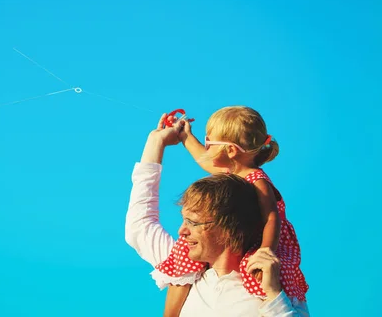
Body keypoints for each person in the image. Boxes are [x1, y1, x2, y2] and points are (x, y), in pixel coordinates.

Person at [125, 114, 310, 316]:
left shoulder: (267, 287)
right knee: (179, 269)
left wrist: (269, 271)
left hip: (261, 251)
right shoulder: (192, 258)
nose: (182, 231)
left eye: (193, 222)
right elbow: (139, 224)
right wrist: (161, 141)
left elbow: (271, 219)